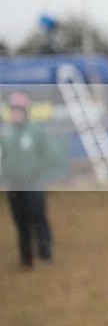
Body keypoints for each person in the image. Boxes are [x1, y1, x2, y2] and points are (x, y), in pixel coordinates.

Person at [0, 92, 55, 268]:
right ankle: (26, 258)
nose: (15, 114)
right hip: (13, 184)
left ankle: (45, 255)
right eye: (12, 110)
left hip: (32, 183)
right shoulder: (6, 134)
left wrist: (33, 171)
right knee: (20, 220)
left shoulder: (36, 131)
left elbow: (47, 156)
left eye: (18, 110)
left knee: (38, 217)